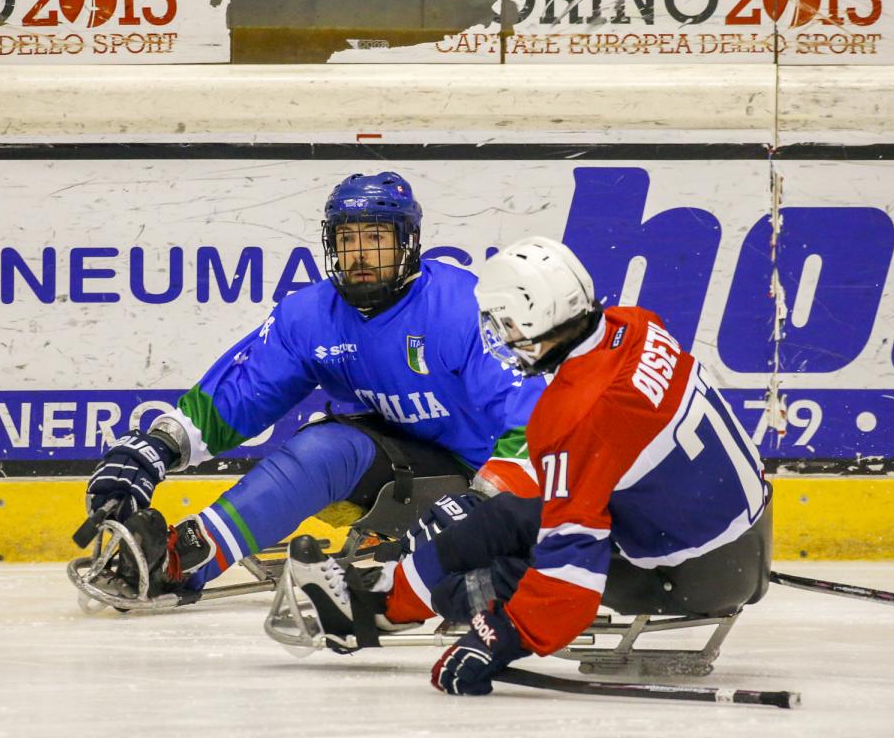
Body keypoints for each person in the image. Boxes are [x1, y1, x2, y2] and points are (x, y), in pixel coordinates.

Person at [285, 235, 773, 695]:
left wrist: (500, 638)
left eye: (505, 323)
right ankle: (381, 597)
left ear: (537, 318)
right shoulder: (637, 325)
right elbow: (612, 453)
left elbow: (570, 585)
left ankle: (390, 606)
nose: (501, 336)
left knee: (487, 578)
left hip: (688, 577)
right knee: (500, 517)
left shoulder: (572, 418)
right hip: (748, 536)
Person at [82, 172, 544, 600]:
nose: (359, 254)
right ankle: (180, 559)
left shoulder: (465, 306)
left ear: (410, 243)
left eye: (376, 237)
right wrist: (157, 447)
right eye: (346, 238)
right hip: (419, 462)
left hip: (505, 476)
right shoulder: (309, 316)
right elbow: (242, 393)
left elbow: (536, 422)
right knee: (324, 448)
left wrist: (483, 509)